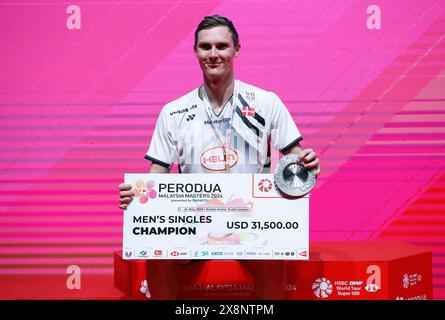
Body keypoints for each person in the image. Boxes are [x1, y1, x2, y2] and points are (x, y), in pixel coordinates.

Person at [119, 15, 320, 300]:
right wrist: (139, 196)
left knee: (274, 253)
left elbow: (295, 157)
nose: (213, 55)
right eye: (205, 47)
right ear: (195, 51)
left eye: (222, 46)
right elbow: (157, 173)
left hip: (251, 217)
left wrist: (306, 163)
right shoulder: (173, 112)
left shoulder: (265, 102)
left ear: (237, 49)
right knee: (157, 252)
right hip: (192, 218)